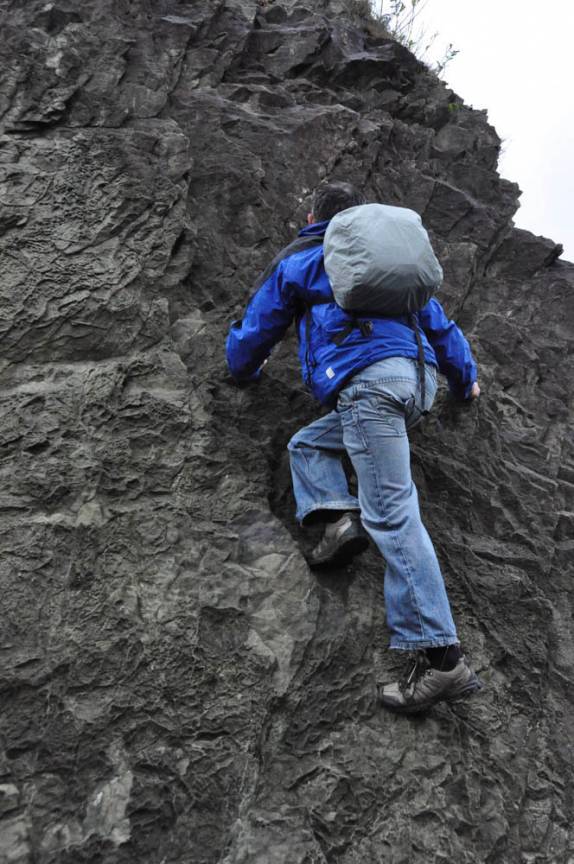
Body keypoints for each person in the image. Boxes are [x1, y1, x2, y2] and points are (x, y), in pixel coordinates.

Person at [226, 181, 482, 714]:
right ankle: (338, 519)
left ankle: (442, 659)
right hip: (416, 384)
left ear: (315, 216)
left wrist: (238, 369)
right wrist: (468, 380)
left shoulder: (308, 259)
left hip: (368, 387)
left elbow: (260, 326)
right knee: (307, 444)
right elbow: (440, 323)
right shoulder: (390, 269)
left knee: (392, 516)